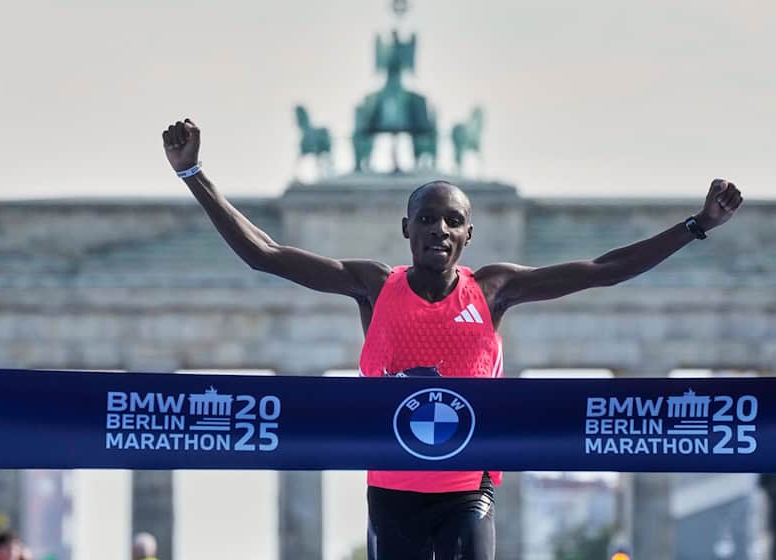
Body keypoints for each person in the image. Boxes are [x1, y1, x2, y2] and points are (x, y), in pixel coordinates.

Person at [161, 119, 743, 560]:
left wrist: (697, 226)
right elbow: (265, 255)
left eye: (451, 220)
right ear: (407, 229)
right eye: (427, 219)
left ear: (468, 234)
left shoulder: (493, 290)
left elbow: (602, 269)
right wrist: (193, 174)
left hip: (469, 487)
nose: (438, 228)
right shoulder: (373, 286)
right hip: (392, 487)